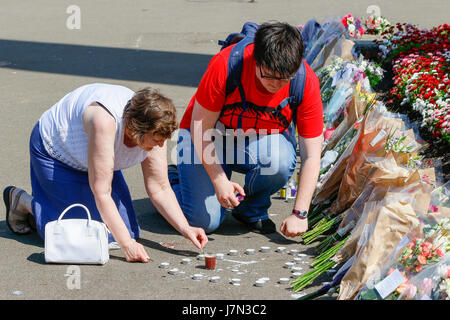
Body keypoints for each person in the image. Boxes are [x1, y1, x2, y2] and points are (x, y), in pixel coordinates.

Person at [3, 83, 208, 263]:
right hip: (57, 154)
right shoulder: (105, 122)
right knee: (78, 239)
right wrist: (127, 245)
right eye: (156, 140)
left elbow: (160, 187)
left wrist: (186, 228)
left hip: (95, 159)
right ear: (136, 129)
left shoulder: (156, 129)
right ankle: (24, 202)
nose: (161, 146)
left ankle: (56, 203)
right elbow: (102, 192)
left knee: (118, 233)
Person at [169, 21, 323, 237]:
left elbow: (311, 156)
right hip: (206, 136)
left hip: (254, 141)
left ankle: (251, 209)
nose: (275, 85)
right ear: (255, 60)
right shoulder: (226, 64)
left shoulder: (305, 81)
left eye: (284, 78)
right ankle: (172, 181)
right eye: (268, 75)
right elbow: (200, 129)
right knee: (204, 222)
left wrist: (300, 214)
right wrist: (219, 180)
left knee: (279, 159)